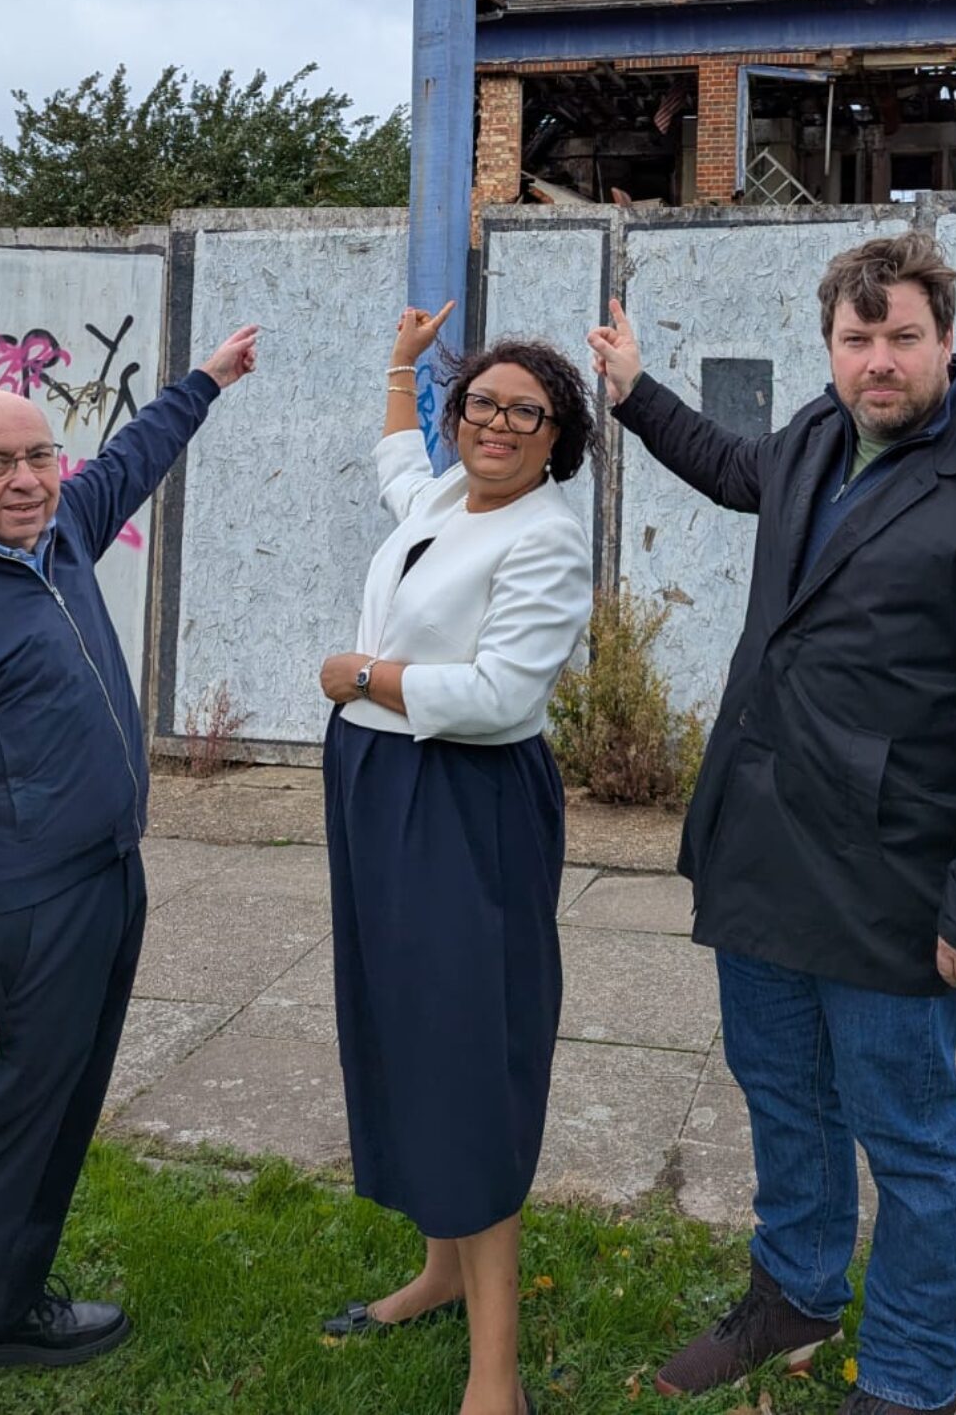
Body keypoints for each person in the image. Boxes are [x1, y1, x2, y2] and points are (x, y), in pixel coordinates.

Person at [588, 232, 956, 1415]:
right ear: (830, 345)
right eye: (857, 339)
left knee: (909, 1141)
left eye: (901, 338)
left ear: (946, 342)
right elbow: (731, 464)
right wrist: (634, 392)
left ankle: (917, 1377)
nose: (878, 362)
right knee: (780, 1088)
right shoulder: (818, 435)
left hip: (893, 875)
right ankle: (798, 1291)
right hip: (764, 839)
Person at [0, 324, 260, 1415]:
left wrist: (205, 381)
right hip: (19, 913)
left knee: (63, 1113)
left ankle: (11, 1307)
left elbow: (130, 459)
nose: (28, 480)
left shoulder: (57, 528)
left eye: (39, 456)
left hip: (106, 880)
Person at [317, 303, 597, 1415]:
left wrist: (358, 675)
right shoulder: (442, 493)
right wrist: (398, 359)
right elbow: (397, 457)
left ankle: (497, 1374)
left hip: (462, 799)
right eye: (480, 401)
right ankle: (439, 1269)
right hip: (378, 791)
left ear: (554, 436)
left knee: (469, 1053)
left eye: (524, 411)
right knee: (404, 1030)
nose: (496, 422)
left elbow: (497, 697)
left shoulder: (546, 534)